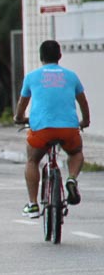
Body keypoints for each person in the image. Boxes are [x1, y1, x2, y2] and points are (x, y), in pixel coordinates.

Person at [14, 39, 91, 217]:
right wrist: (85, 121)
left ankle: (33, 204)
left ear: (41, 57)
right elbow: (83, 102)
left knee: (32, 160)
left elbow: (22, 103)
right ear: (59, 56)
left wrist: (19, 118)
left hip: (41, 130)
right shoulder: (71, 76)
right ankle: (71, 179)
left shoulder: (32, 77)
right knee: (76, 153)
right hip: (68, 129)